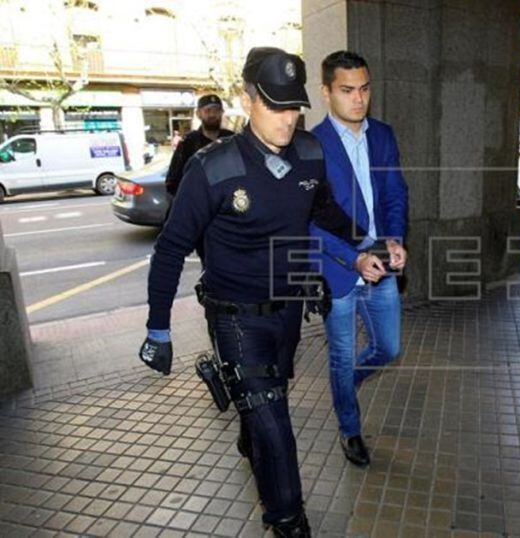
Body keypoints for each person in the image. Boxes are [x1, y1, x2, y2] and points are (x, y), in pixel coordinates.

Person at [138, 47, 369, 537]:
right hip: (235, 319)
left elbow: (322, 209)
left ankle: (250, 428)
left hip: (286, 315)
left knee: (267, 406)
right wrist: (158, 328)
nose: (288, 119)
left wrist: (363, 245)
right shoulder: (211, 168)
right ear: (247, 101)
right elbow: (171, 248)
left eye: (294, 107)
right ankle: (288, 523)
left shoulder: (309, 151)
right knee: (278, 433)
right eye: (274, 105)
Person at [309, 50, 409, 466]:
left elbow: (394, 193)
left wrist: (395, 239)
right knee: (342, 353)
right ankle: (349, 428)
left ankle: (343, 386)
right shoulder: (309, 145)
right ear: (326, 91)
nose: (358, 99)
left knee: (387, 347)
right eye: (347, 90)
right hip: (338, 268)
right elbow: (308, 220)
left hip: (380, 260)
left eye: (365, 88)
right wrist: (352, 259)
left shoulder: (382, 135)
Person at [165, 95, 235, 196]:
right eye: (207, 110)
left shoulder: (232, 140)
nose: (212, 114)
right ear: (198, 114)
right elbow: (172, 181)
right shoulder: (188, 143)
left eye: (216, 110)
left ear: (222, 113)